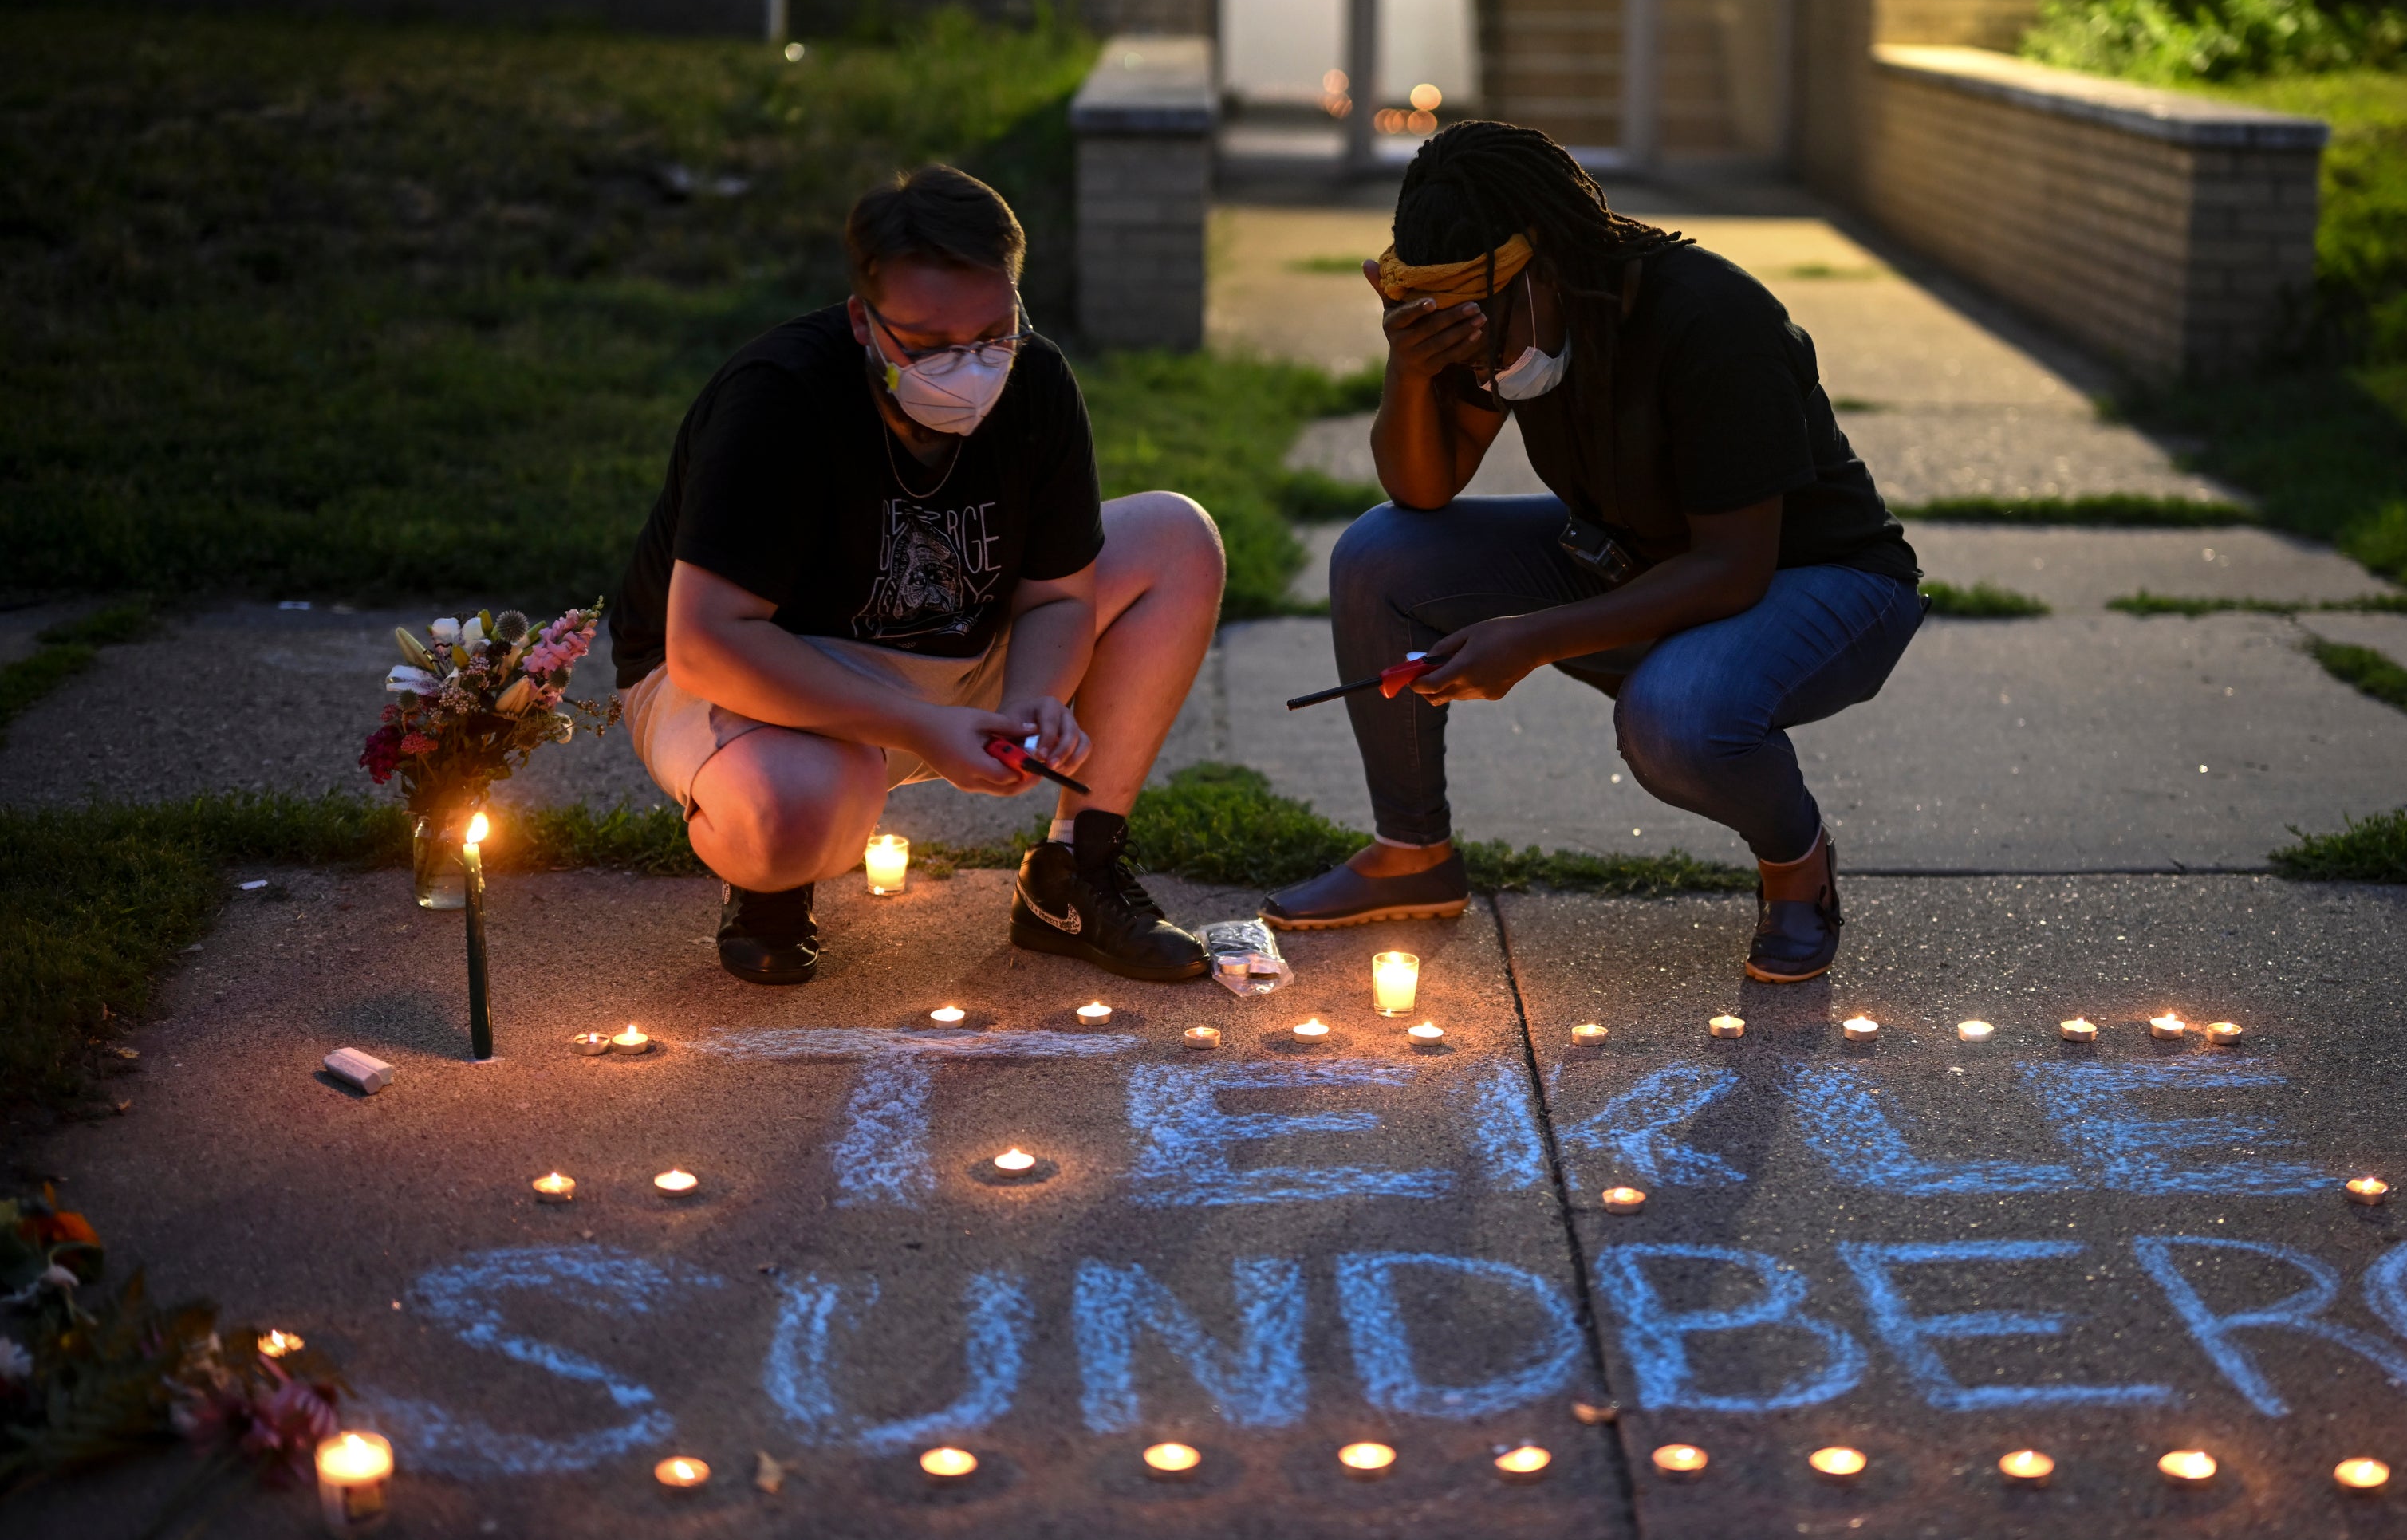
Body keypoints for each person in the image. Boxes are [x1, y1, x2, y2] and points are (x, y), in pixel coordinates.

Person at [1259, 124, 1924, 983]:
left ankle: (1798, 870)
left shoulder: (1712, 319)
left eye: (1482, 334)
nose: (1485, 364)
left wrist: (1534, 638)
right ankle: (1412, 853)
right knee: (1381, 557)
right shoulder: (1501, 315)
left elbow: (1734, 565)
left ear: (1544, 268)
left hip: (1820, 580)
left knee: (1672, 717)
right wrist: (1412, 371)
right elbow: (1423, 491)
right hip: (1642, 559)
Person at [611, 164, 1226, 986]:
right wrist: (919, 727)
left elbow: (1057, 595)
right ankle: (773, 881)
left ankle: (1074, 871)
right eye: (933, 346)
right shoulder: (781, 399)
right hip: (761, 676)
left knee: (1179, 538)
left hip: (951, 653)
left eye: (994, 334)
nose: (971, 368)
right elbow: (704, 643)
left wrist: (1031, 703)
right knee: (800, 812)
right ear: (864, 322)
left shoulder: (1036, 381)